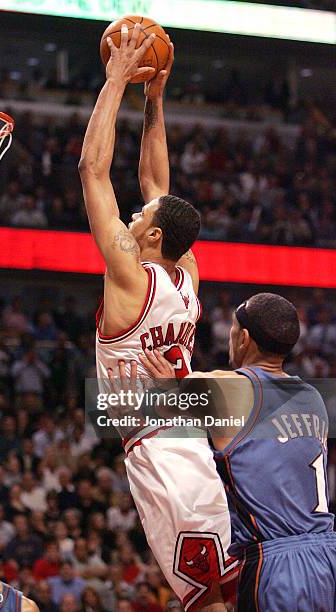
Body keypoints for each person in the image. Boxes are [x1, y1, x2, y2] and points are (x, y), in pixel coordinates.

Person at [79, 23, 237, 612]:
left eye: (140, 214)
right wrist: (155, 100)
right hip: (189, 439)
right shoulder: (186, 274)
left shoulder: (129, 277)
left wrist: (117, 80)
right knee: (226, 587)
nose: (134, 211)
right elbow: (157, 185)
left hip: (157, 448)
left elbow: (93, 172)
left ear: (154, 234)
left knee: (205, 602)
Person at [139, 292, 336, 611]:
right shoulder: (312, 397)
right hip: (327, 557)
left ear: (243, 338)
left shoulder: (230, 390)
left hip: (278, 564)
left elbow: (162, 399)